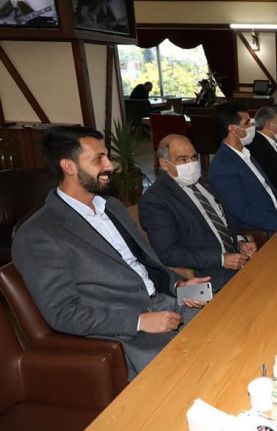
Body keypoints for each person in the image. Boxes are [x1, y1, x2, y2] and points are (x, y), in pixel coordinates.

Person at [11, 126, 209, 380]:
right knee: (205, 373)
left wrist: (179, 286)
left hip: (168, 303)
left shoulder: (112, 206)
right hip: (128, 334)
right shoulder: (39, 234)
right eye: (98, 159)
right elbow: (62, 313)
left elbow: (144, 264)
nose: (110, 166)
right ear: (68, 166)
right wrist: (139, 321)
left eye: (107, 156)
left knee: (235, 328)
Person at [139, 134, 258, 293]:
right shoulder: (155, 199)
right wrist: (221, 259)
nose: (191, 164)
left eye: (194, 157)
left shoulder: (203, 181)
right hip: (208, 275)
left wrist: (240, 241)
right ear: (164, 164)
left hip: (240, 260)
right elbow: (168, 253)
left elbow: (226, 218)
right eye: (183, 159)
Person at [208, 102, 277, 234]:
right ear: (233, 129)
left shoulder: (246, 153)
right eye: (247, 123)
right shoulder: (222, 167)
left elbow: (267, 191)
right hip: (266, 226)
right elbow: (241, 212)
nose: (252, 126)